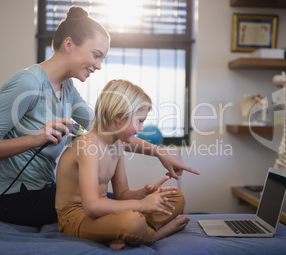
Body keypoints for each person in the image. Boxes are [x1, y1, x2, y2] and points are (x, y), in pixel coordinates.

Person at [0, 6, 199, 228]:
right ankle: (150, 230)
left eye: (103, 59)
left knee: (149, 204)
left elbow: (109, 131)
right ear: (69, 44)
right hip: (16, 200)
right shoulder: (27, 83)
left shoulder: (67, 89)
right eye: (96, 55)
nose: (99, 66)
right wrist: (36, 139)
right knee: (123, 211)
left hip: (48, 190)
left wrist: (159, 152)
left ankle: (144, 227)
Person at [56, 79, 190, 249]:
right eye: (139, 121)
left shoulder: (116, 145)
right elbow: (91, 207)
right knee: (132, 221)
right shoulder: (88, 145)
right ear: (118, 117)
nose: (141, 129)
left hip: (102, 213)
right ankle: (155, 235)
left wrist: (143, 194)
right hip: (76, 217)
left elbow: (121, 194)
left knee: (176, 198)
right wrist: (142, 205)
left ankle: (118, 234)